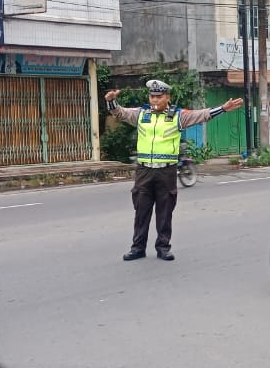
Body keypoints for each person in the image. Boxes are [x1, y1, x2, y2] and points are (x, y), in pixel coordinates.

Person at [104, 80, 244, 261]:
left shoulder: (178, 115)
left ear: (167, 97)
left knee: (165, 210)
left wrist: (223, 109)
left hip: (166, 172)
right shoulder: (141, 114)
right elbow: (120, 113)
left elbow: (200, 115)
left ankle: (163, 247)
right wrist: (111, 101)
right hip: (144, 171)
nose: (154, 100)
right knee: (141, 211)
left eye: (159, 97)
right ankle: (138, 248)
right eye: (152, 96)